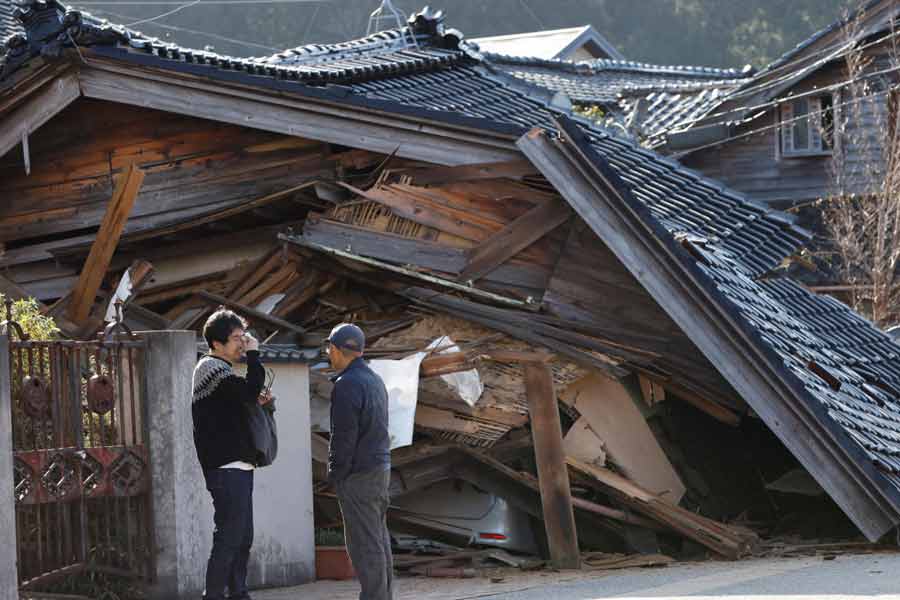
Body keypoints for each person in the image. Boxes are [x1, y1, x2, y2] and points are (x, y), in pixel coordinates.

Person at [192, 308, 269, 600]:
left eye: (243, 337)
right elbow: (249, 389)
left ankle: (238, 592)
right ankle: (215, 595)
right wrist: (254, 355)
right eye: (237, 338)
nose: (242, 343)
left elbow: (244, 398)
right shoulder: (210, 368)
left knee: (242, 536)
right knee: (229, 536)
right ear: (216, 343)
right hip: (225, 467)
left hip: (238, 467)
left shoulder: (223, 372)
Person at [326, 323, 393, 600]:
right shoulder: (374, 380)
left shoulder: (346, 385)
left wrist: (335, 473)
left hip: (358, 474)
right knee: (378, 540)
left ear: (338, 350)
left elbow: (343, 438)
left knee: (365, 545)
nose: (328, 354)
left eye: (329, 348)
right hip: (380, 468)